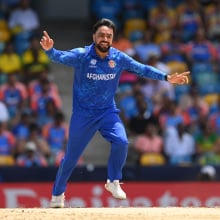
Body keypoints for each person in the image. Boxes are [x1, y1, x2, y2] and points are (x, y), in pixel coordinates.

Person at [40, 18, 190, 208]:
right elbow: (59, 57)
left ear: (112, 39)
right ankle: (57, 195)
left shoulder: (118, 58)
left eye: (108, 36)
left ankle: (113, 181)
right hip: (83, 115)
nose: (105, 38)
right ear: (94, 36)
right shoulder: (82, 55)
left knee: (122, 142)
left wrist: (167, 77)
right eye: (101, 35)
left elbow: (141, 69)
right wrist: (49, 50)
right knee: (70, 158)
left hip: (107, 112)